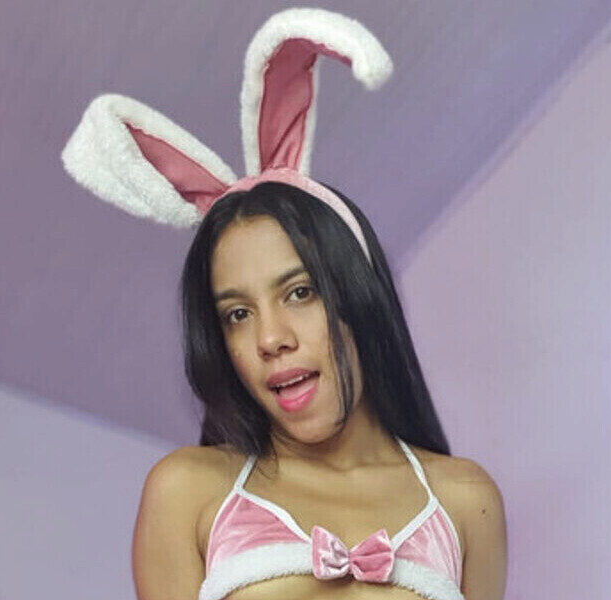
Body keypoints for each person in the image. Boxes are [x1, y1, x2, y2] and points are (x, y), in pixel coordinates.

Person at [60, 7, 507, 600]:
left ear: (358, 295)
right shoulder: (189, 492)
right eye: (237, 314)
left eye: (300, 292)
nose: (271, 338)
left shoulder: (465, 501)